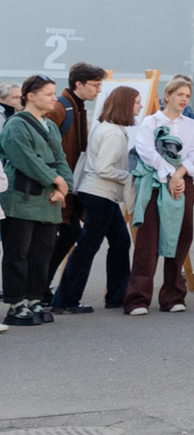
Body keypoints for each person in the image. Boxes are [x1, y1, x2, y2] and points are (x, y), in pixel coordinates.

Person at [53, 84, 138, 315]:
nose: (140, 106)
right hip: (100, 194)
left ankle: (116, 296)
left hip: (100, 195)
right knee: (88, 247)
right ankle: (66, 299)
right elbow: (104, 168)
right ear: (126, 105)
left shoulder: (108, 127)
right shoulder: (113, 132)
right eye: (137, 102)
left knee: (120, 242)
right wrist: (129, 175)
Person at [125, 75, 194, 316]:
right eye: (180, 94)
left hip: (181, 183)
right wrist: (169, 175)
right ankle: (138, 298)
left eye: (187, 96)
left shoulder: (193, 126)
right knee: (148, 239)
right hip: (155, 183)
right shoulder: (151, 122)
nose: (183, 99)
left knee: (181, 236)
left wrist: (178, 176)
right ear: (167, 95)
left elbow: (193, 156)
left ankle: (173, 295)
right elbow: (146, 151)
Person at [2, 76, 73, 325]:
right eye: (49, 94)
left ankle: (34, 299)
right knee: (17, 253)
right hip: (21, 197)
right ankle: (16, 303)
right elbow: (27, 159)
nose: (55, 99)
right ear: (30, 96)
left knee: (42, 253)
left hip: (49, 197)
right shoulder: (15, 125)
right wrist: (56, 180)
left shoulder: (51, 126)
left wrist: (64, 188)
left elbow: (61, 157)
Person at [45, 62, 106, 290]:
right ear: (78, 84)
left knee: (68, 236)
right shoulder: (60, 109)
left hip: (69, 189)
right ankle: (37, 290)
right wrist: (54, 183)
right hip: (56, 189)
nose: (99, 90)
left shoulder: (77, 107)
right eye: (95, 85)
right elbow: (42, 150)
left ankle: (41, 288)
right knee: (52, 240)